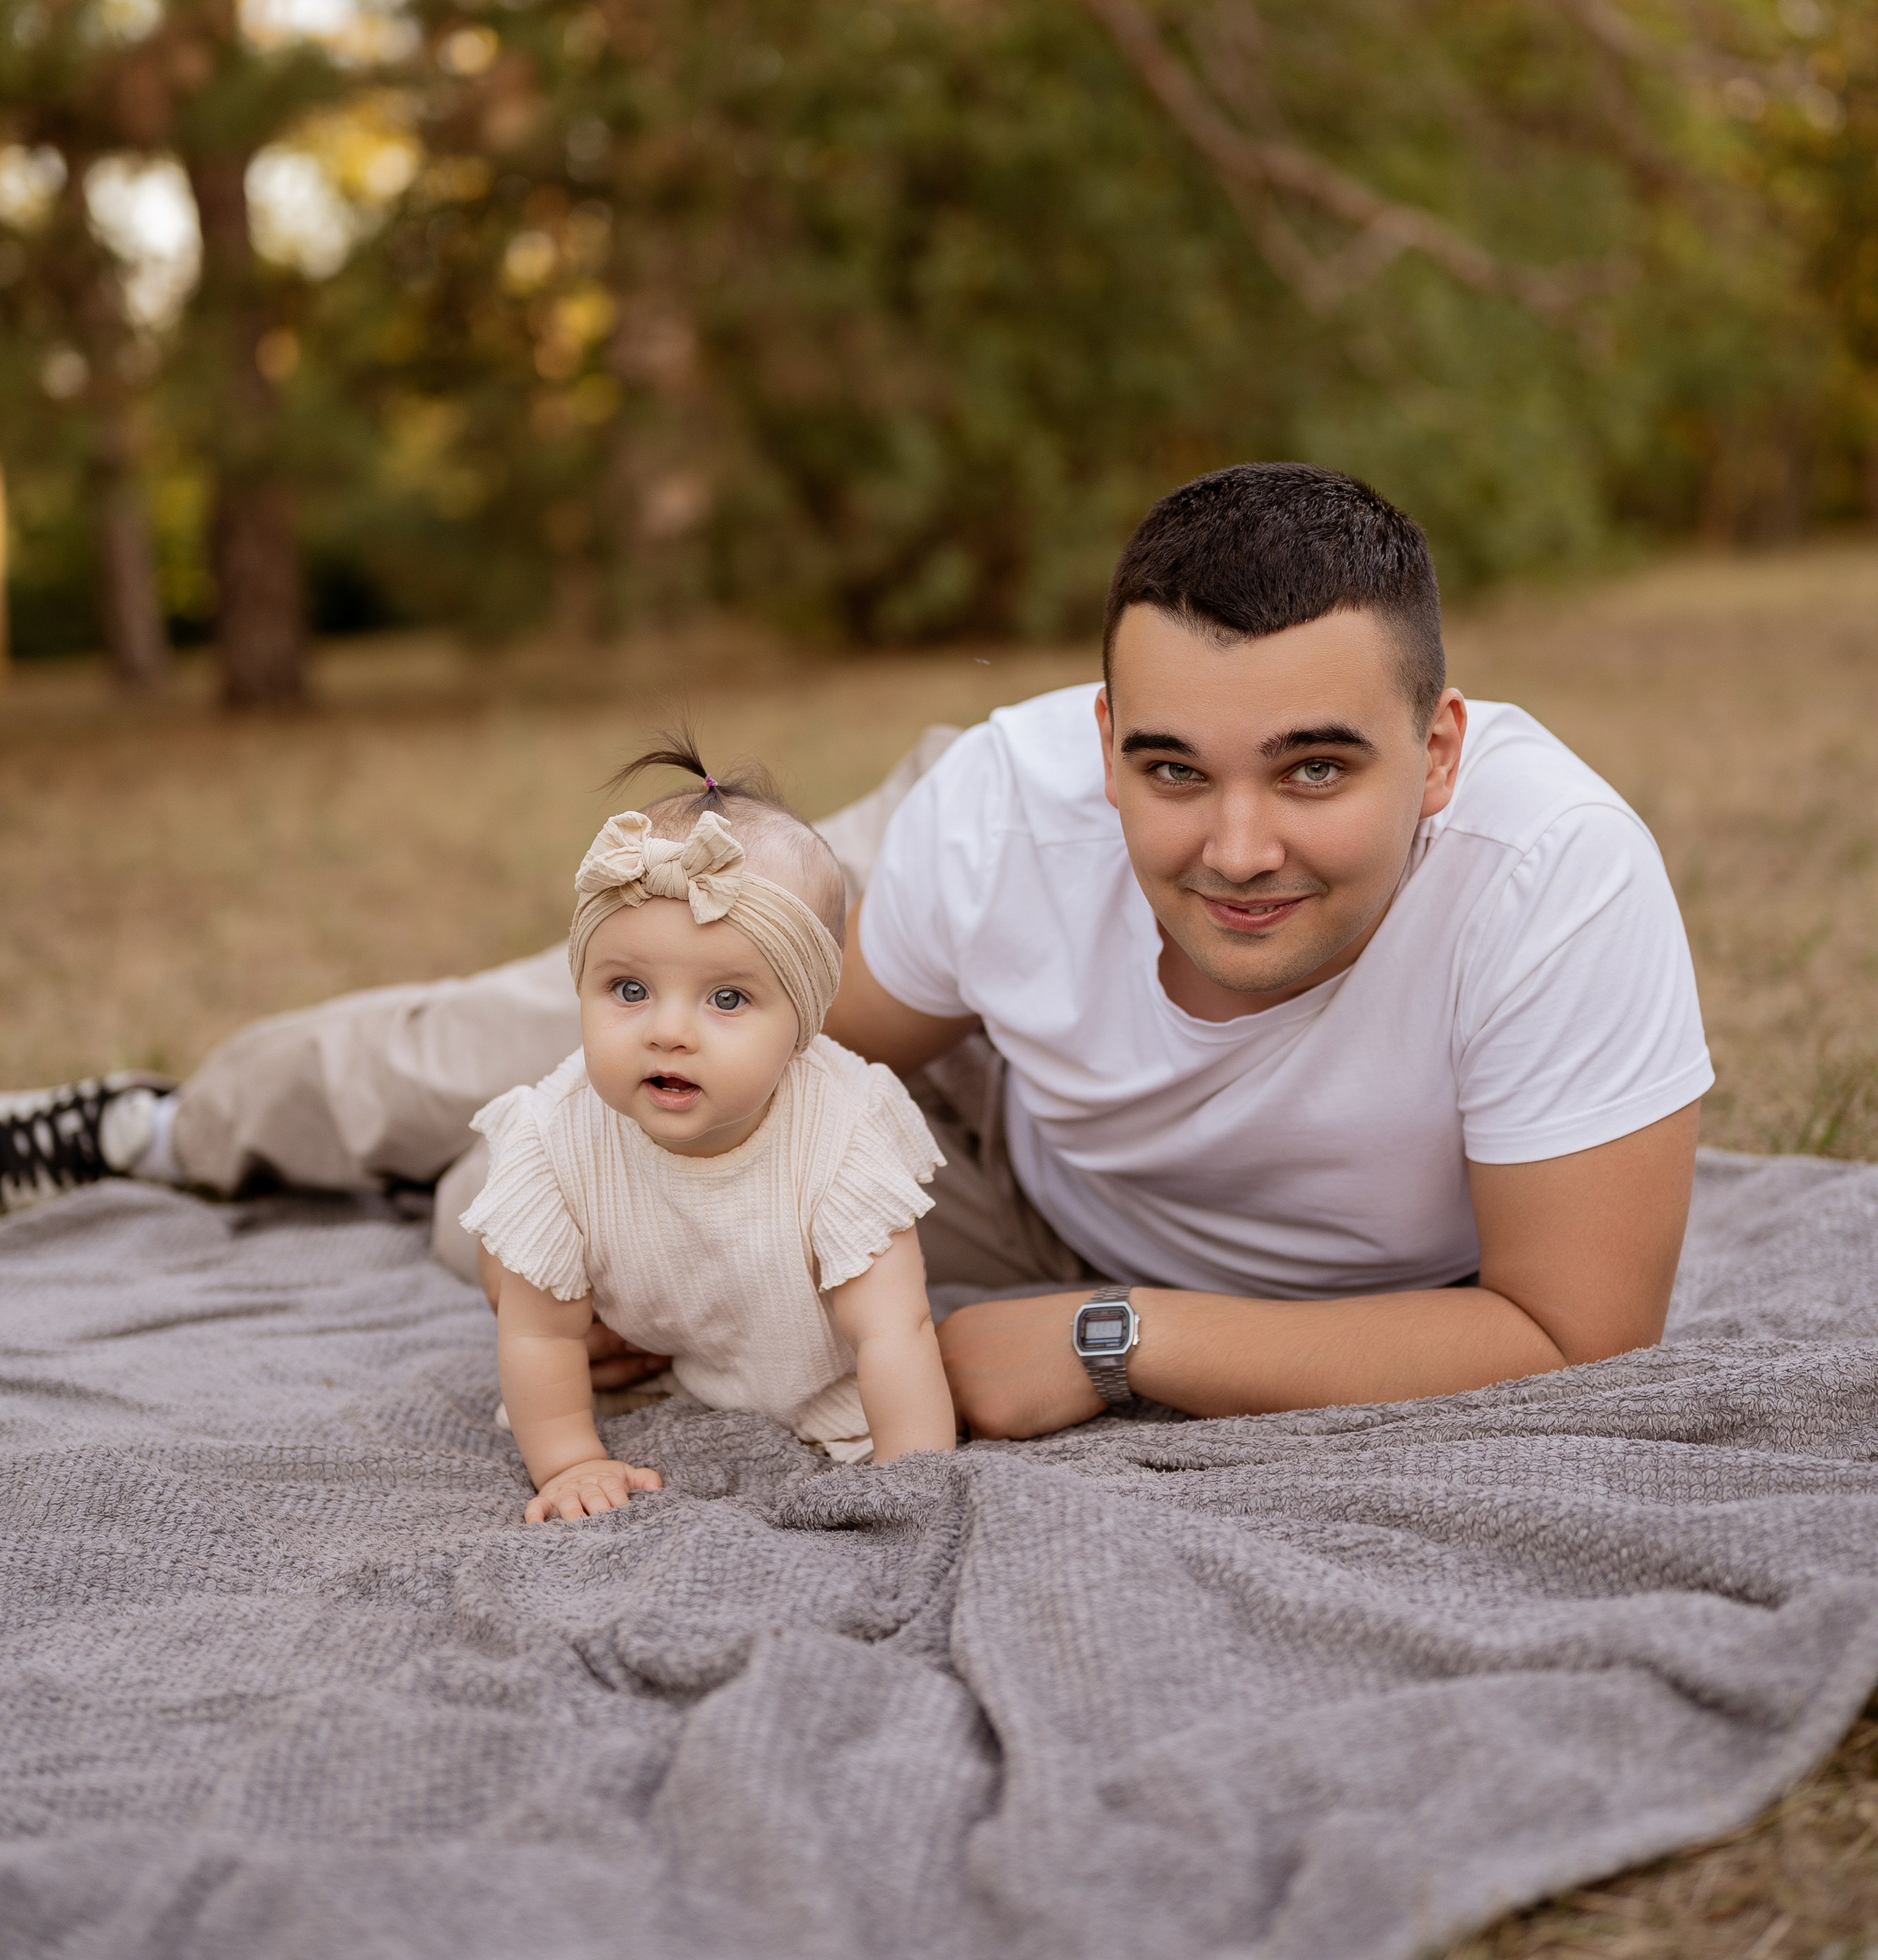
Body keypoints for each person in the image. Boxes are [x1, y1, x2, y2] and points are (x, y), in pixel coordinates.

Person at [1, 464, 1711, 1441]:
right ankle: (164, 1130)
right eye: (1171, 766)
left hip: (1047, 1221)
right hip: (951, 1075)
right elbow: (821, 1055)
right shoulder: (1013, 806)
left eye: (1315, 766)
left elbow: (1573, 1323)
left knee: (486, 1216)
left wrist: (1112, 1335)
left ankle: (413, 1192)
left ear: (1436, 750)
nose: (1237, 846)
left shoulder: (1553, 881)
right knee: (513, 1052)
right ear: (1101, 734)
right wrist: (656, 1186)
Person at [464, 750, 956, 1518]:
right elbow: (541, 1339)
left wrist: (913, 1477)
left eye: (726, 997)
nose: (668, 1031)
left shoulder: (840, 1128)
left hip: (817, 1383)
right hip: (661, 1363)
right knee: (508, 1264)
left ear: (804, 1019)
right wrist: (571, 1461)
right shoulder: (559, 1136)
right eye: (629, 989)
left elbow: (897, 1329)